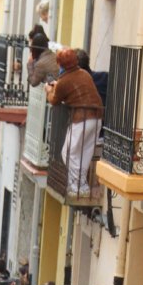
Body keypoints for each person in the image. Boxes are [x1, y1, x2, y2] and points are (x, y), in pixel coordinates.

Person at [46, 48, 103, 197]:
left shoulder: (63, 81)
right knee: (85, 153)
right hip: (97, 118)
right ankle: (81, 186)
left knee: (68, 153)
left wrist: (48, 90)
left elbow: (54, 100)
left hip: (81, 119)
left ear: (61, 64)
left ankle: (77, 185)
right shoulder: (84, 74)